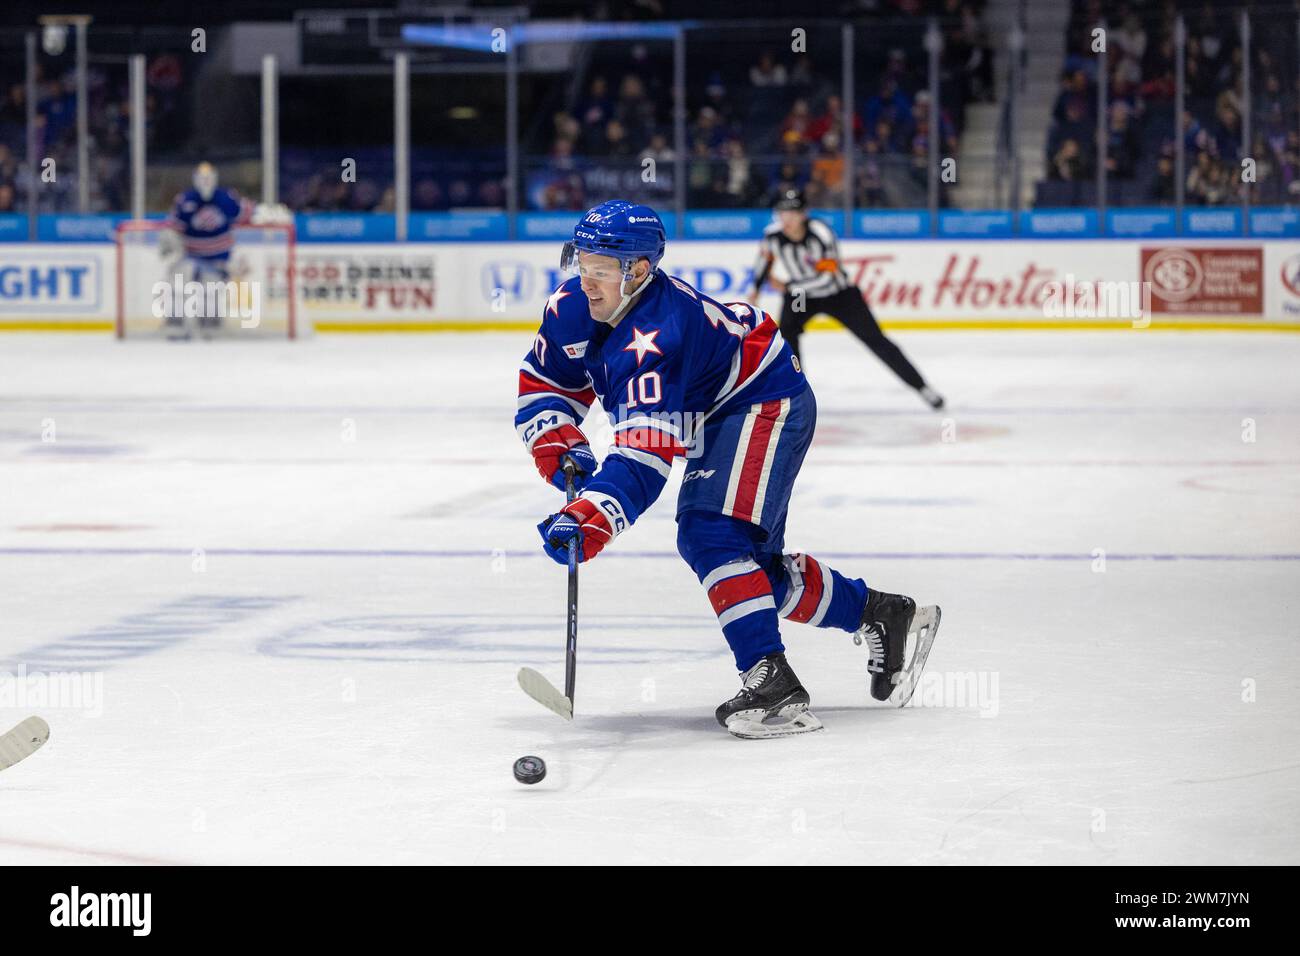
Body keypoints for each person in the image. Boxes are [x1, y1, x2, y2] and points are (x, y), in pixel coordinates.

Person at [515, 199, 941, 738]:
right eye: (582, 264)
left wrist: (591, 517)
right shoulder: (570, 304)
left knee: (711, 535)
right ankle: (881, 613)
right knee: (751, 570)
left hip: (762, 399)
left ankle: (774, 684)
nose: (588, 281)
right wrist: (555, 437)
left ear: (639, 271)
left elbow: (645, 458)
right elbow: (548, 380)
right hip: (721, 407)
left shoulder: (659, 336)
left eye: (602, 270)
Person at [752, 188, 944, 409]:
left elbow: (827, 278)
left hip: (839, 295)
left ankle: (923, 388)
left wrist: (788, 286)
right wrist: (755, 289)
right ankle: (797, 399)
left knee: (876, 340)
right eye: (782, 213)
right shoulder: (772, 235)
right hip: (801, 297)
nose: (787, 219)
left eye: (793, 213)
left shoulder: (821, 234)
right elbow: (763, 261)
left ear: (805, 214)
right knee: (787, 341)